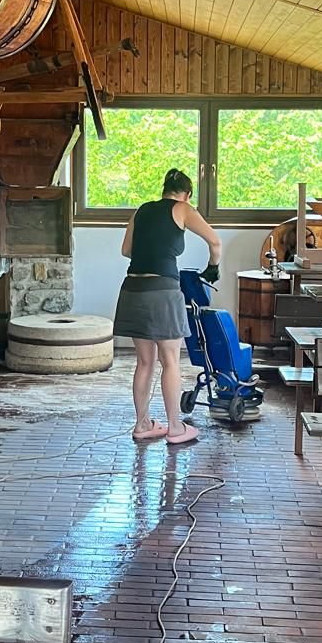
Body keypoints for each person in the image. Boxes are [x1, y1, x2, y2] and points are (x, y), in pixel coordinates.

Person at [113, 168, 222, 445]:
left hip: (133, 288)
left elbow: (126, 251)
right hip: (162, 291)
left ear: (163, 190)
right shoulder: (183, 209)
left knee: (144, 362)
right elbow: (215, 241)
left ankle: (142, 424)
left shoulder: (141, 210)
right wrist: (213, 267)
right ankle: (175, 427)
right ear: (187, 194)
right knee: (170, 361)